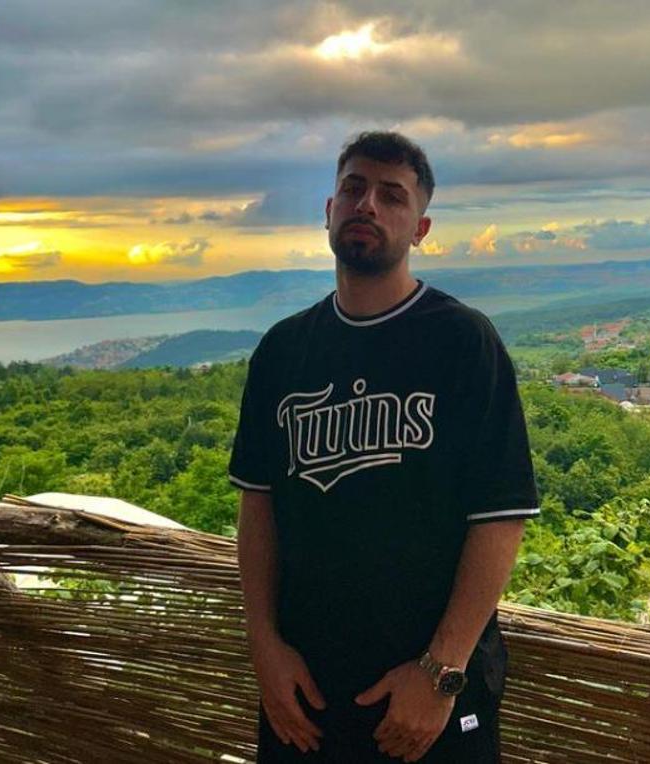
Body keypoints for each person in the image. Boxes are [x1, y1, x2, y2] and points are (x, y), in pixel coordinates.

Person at [229, 131, 540, 763]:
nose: (367, 204)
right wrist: (265, 647)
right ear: (329, 211)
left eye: (392, 196)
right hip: (305, 691)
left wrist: (441, 671)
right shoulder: (282, 351)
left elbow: (500, 516)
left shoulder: (463, 343)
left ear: (420, 228)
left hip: (427, 692)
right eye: (353, 188)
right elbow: (258, 509)